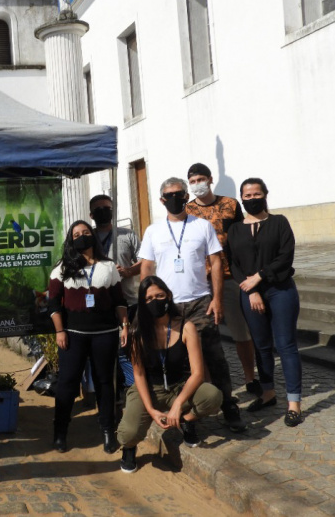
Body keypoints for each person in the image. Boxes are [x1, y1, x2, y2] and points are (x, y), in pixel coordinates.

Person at [139, 177, 246, 433]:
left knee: (213, 356)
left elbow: (217, 262)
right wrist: (146, 305)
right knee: (178, 360)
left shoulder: (202, 226)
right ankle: (186, 412)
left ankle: (228, 405)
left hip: (199, 302)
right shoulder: (153, 231)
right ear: (162, 200)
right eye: (169, 195)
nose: (175, 198)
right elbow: (147, 267)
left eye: (179, 193)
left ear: (186, 196)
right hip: (167, 306)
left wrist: (217, 298)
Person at [116, 276, 223, 473]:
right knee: (128, 432)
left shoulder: (186, 327)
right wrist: (151, 410)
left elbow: (198, 373)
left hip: (179, 386)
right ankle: (129, 448)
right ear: (142, 302)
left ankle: (185, 421)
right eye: (148, 299)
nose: (154, 301)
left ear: (168, 297)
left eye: (159, 295)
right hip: (150, 388)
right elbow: (138, 375)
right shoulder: (137, 332)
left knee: (213, 395)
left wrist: (177, 406)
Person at [226, 178, 303, 427]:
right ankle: (268, 392)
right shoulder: (235, 229)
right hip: (250, 293)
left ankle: (294, 403)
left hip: (280, 290)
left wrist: (258, 278)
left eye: (256, 194)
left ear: (265, 194)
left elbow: (285, 256)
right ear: (241, 198)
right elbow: (233, 263)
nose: (251, 199)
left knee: (286, 345)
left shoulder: (279, 222)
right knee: (261, 345)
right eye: (246, 196)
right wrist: (250, 290)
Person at [49, 220, 128, 454]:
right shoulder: (62, 268)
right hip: (73, 335)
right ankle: (60, 432)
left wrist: (124, 326)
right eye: (76, 234)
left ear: (93, 235)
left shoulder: (109, 266)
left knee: (105, 383)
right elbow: (53, 303)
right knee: (67, 383)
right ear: (70, 240)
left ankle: (107, 431)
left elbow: (119, 301)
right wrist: (59, 331)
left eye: (85, 232)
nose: (82, 236)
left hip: (105, 334)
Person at [185, 163, 259, 396]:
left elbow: (241, 238)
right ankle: (206, 383)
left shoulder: (230, 204)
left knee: (241, 332)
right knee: (203, 335)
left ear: (210, 179)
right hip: (200, 279)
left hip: (229, 276)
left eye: (201, 179)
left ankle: (249, 377)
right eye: (193, 181)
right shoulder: (187, 210)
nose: (198, 184)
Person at [90, 194, 141, 397]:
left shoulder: (127, 235)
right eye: (99, 209)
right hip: (98, 305)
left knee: (128, 348)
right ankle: (108, 391)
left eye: (107, 207)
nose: (104, 211)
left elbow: (145, 261)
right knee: (104, 351)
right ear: (91, 214)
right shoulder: (88, 237)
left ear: (113, 210)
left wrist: (128, 271)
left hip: (128, 300)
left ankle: (131, 390)